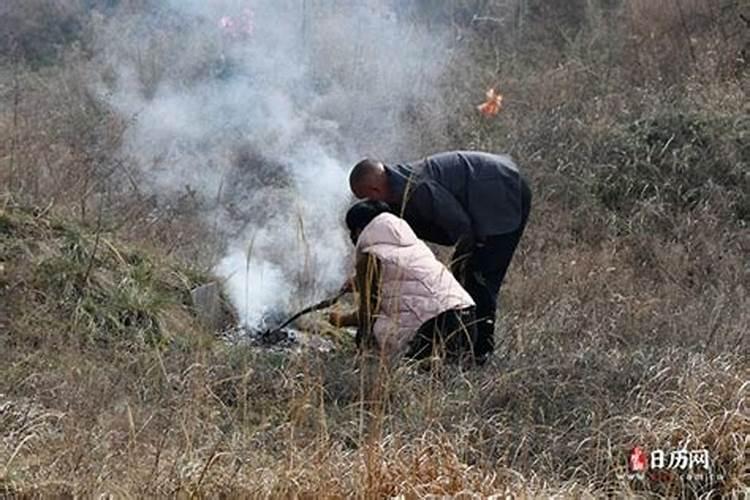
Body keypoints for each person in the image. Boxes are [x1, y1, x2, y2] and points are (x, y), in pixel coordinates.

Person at [348, 151, 532, 363]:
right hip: (487, 195)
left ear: (374, 189)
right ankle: (463, 349)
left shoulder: (418, 188)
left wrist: (462, 260)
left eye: (367, 197)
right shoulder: (397, 191)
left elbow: (460, 225)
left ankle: (480, 355)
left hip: (504, 192)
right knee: (465, 275)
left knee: (479, 277)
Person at [329, 200, 477, 363]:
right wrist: (359, 282)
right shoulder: (413, 245)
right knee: (447, 380)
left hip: (433, 328)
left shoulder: (369, 256)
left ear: (359, 230)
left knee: (367, 335)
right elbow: (407, 280)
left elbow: (369, 314)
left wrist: (341, 320)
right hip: (467, 319)